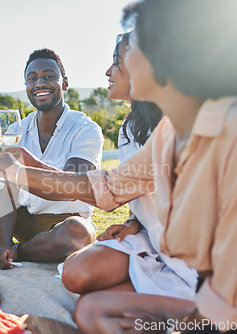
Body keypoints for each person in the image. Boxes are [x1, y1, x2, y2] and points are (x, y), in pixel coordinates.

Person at [0, 0, 237, 332]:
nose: (111, 69)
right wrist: (17, 172)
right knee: (91, 311)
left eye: (122, 56)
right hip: (202, 288)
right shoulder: (169, 132)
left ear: (164, 61)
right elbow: (109, 187)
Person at [61, 32, 198, 302]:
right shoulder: (129, 127)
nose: (107, 71)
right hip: (154, 238)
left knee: (94, 309)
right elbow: (145, 188)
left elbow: (110, 190)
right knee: (75, 274)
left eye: (116, 62)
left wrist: (19, 171)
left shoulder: (173, 127)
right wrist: (135, 221)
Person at [0, 48, 104, 270]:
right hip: (24, 218)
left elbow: (70, 186)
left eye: (49, 76)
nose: (39, 83)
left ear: (65, 83)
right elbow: (7, 190)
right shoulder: (16, 129)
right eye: (32, 79)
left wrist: (25, 163)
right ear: (27, 87)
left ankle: (19, 251)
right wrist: (4, 243)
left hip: (64, 223)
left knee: (78, 234)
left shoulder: (86, 129)